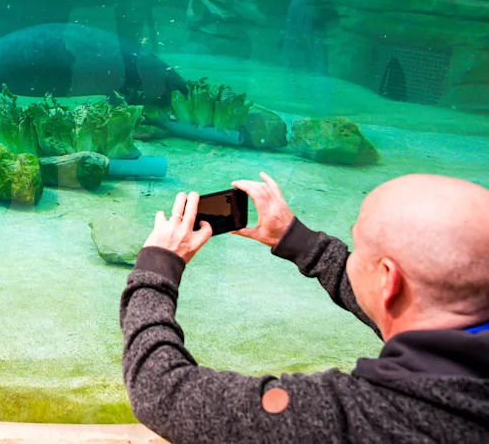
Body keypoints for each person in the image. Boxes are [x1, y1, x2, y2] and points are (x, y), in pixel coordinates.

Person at [121, 172, 489, 442]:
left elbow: (162, 391)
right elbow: (411, 304)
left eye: (358, 248)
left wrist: (157, 267)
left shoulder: (358, 420)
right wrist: (296, 240)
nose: (353, 255)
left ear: (388, 281)